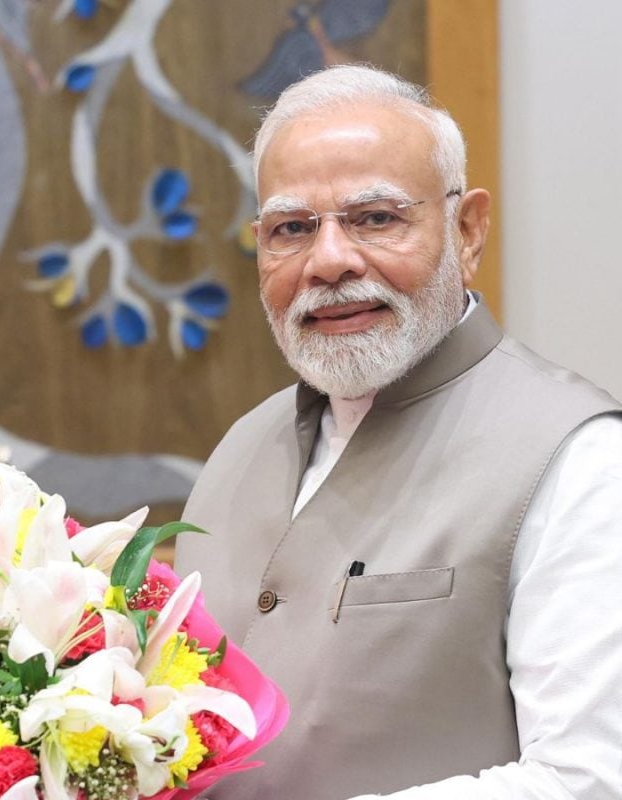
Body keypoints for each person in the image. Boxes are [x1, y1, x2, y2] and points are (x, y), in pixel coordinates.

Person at [176, 65, 622, 799]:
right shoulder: (243, 446)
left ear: (467, 231)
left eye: (376, 218)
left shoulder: (580, 459)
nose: (329, 261)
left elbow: (589, 777)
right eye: (292, 229)